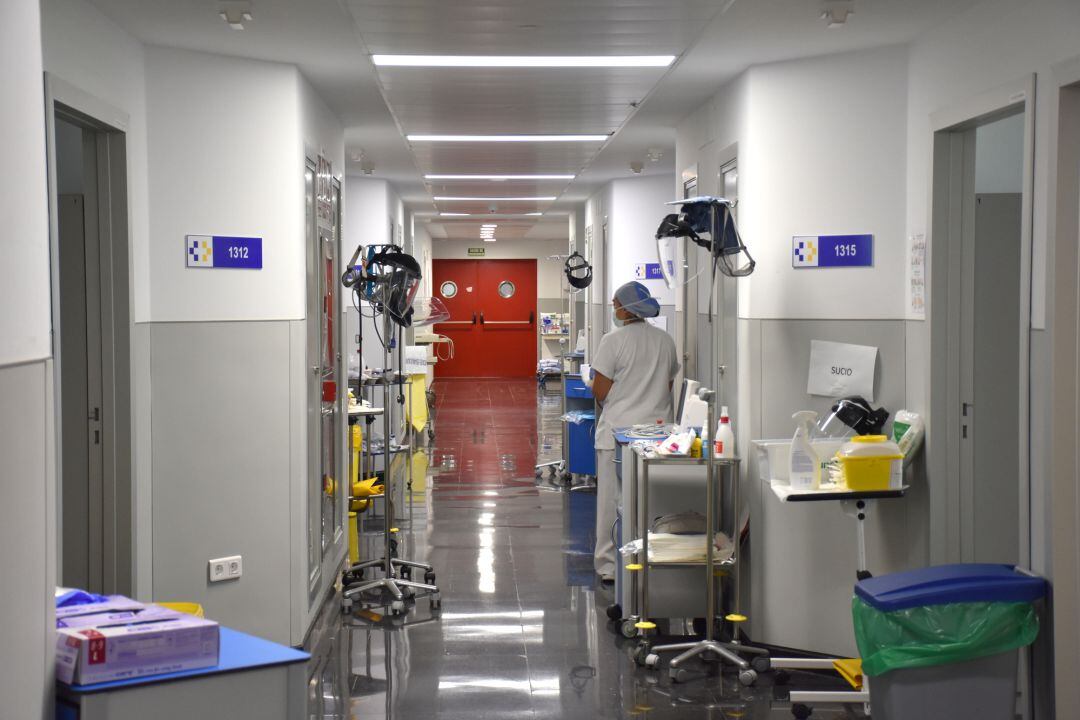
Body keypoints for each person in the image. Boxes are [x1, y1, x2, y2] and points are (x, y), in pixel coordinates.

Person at [590, 281, 680, 582]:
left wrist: (623, 396)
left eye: (615, 303)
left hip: (618, 433)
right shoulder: (665, 340)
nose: (614, 308)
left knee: (611, 503)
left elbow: (600, 390)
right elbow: (666, 386)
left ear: (626, 308)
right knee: (651, 500)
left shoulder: (612, 341)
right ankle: (650, 559)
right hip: (658, 434)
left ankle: (608, 567)